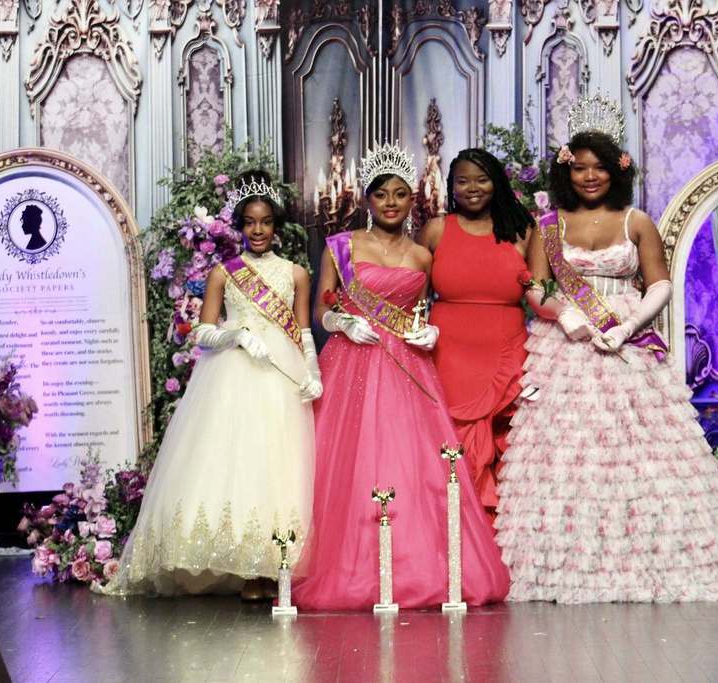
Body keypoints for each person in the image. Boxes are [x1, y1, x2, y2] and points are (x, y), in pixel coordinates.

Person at [494, 96, 718, 603]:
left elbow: (660, 284)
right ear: (566, 172)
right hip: (565, 348)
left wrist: (627, 326)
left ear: (617, 170)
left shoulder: (636, 221)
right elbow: (534, 285)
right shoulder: (549, 224)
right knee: (569, 453)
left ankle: (645, 553)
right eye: (580, 168)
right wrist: (566, 316)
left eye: (600, 167)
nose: (590, 177)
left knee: (640, 452)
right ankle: (567, 559)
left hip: (627, 339)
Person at [292, 143, 510, 610]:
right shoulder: (341, 246)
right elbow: (319, 310)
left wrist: (430, 332)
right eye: (381, 194)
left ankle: (417, 566)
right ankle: (351, 566)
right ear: (367, 199)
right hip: (352, 360)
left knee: (413, 462)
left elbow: (423, 311)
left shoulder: (422, 255)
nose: (390, 203)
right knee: (350, 461)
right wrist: (342, 322)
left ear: (414, 199)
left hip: (408, 366)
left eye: (400, 194)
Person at [98, 171, 321, 599]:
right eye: (249, 222)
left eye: (265, 222)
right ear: (239, 227)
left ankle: (271, 566)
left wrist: (312, 372)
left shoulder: (296, 273)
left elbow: (304, 331)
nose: (258, 230)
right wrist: (235, 335)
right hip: (233, 375)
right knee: (236, 461)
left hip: (281, 375)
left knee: (277, 464)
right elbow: (201, 332)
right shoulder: (224, 272)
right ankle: (242, 565)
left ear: (276, 225)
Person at [418, 148, 534, 516]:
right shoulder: (436, 229)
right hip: (447, 357)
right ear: (450, 186)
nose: (472, 188)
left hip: (507, 353)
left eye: (482, 179)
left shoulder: (522, 230)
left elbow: (543, 294)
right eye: (462, 181)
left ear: (497, 182)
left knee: (506, 449)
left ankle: (500, 541)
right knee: (450, 449)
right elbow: (412, 294)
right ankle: (454, 536)